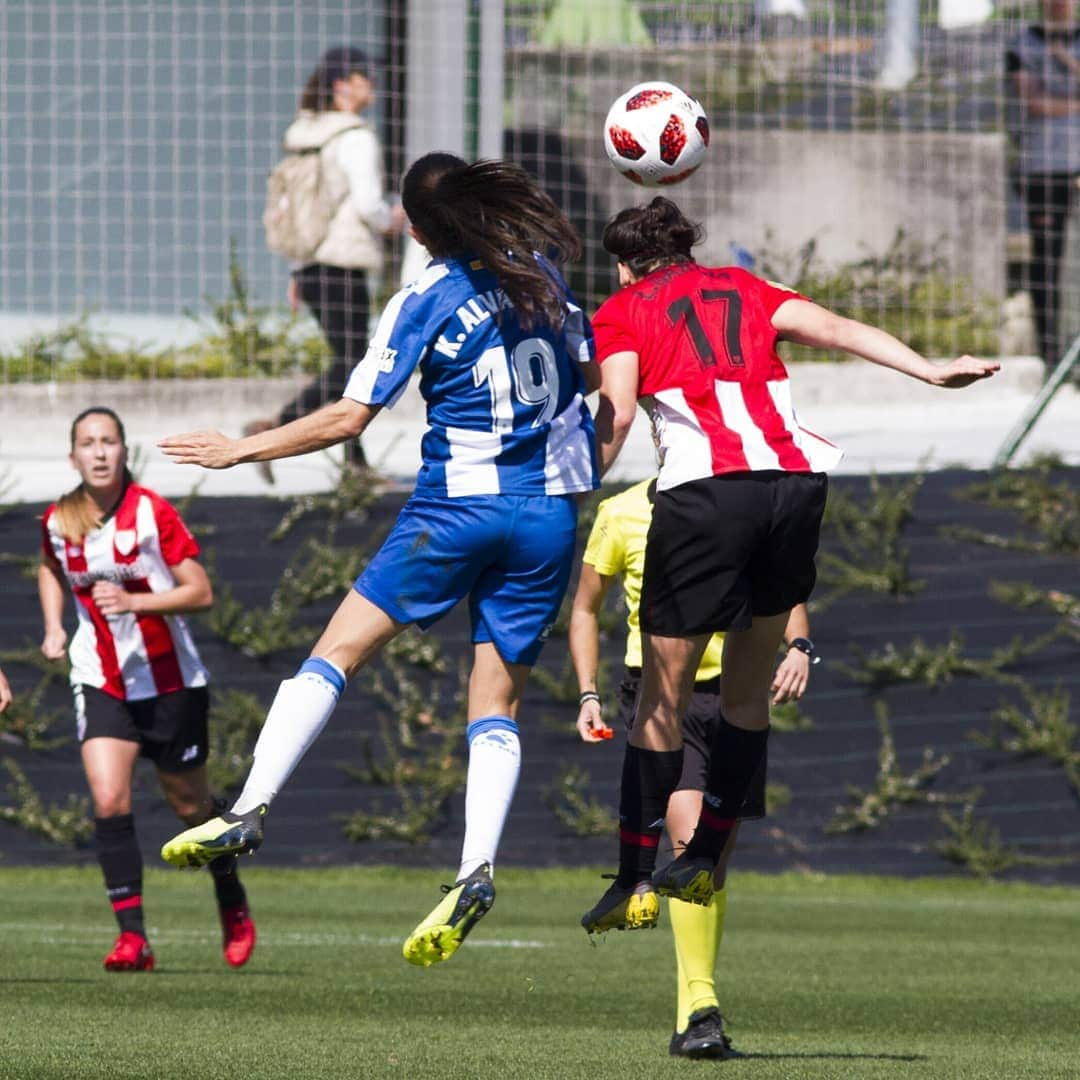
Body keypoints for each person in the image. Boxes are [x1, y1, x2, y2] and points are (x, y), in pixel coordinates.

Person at [157, 153, 600, 967]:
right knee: (493, 702)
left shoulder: (426, 298)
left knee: (337, 652)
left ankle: (251, 807)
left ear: (415, 226)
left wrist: (239, 449)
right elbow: (591, 381)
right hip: (548, 517)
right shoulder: (543, 277)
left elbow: (349, 417)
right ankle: (474, 870)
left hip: (458, 509)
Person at [580, 196, 998, 934]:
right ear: (687, 251)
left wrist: (573, 482)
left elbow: (615, 409)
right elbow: (835, 330)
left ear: (624, 265)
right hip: (796, 487)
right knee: (746, 690)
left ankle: (632, 875)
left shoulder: (623, 310)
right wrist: (931, 371)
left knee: (659, 696)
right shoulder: (746, 287)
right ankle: (706, 857)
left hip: (707, 493)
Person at [571, 476, 814, 1059]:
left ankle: (690, 1021)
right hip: (659, 697)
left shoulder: (741, 503)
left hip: (733, 700)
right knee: (687, 844)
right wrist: (588, 693)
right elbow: (584, 606)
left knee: (709, 871)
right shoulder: (622, 512)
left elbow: (786, 594)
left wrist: (800, 647)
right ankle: (703, 1005)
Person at [37, 407, 255, 972]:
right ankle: (132, 938)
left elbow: (200, 591)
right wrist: (54, 626)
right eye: (88, 442)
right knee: (109, 799)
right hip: (101, 677)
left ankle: (231, 896)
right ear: (73, 457)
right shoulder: (59, 520)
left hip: (170, 682)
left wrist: (135, 601)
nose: (100, 452)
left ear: (124, 451)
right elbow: (48, 566)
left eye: (109, 441)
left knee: (190, 808)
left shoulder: (152, 512)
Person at [246, 45, 407, 481]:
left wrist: (297, 270)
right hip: (342, 265)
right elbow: (370, 206)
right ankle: (274, 428)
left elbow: (295, 207)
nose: (371, 84)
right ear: (342, 86)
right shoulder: (355, 137)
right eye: (364, 76)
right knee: (353, 366)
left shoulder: (305, 133)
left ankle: (354, 463)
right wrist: (400, 217)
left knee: (351, 364)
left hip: (312, 267)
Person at [1007, 1, 1080, 373]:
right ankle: (1052, 355)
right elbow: (1034, 101)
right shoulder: (1023, 44)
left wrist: (1064, 59)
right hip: (1045, 169)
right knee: (1047, 261)